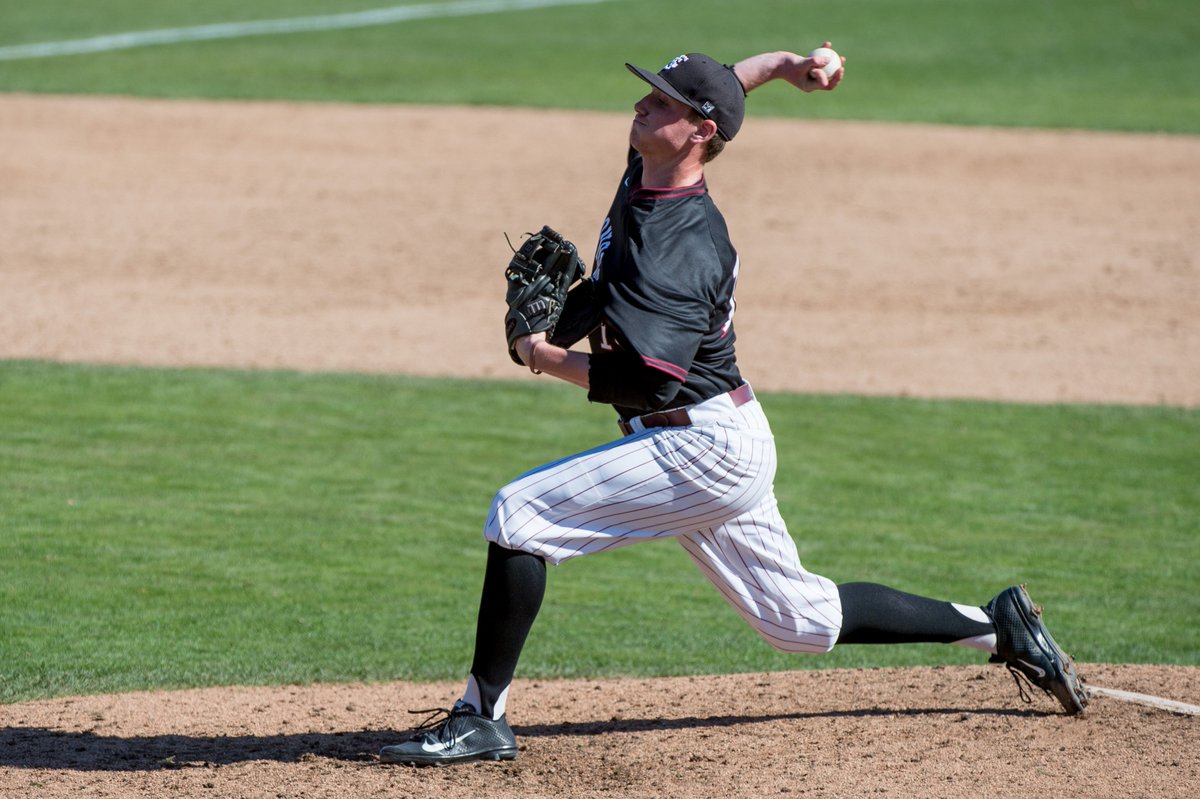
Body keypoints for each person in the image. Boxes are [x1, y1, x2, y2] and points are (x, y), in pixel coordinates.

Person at [379, 45, 1088, 767]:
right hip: (717, 434)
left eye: (660, 102)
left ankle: (481, 715)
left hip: (700, 446)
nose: (640, 106)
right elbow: (722, 90)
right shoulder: (650, 170)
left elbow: (648, 380)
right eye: (648, 94)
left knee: (520, 515)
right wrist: (780, 65)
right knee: (798, 621)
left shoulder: (678, 247)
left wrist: (538, 352)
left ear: (698, 133)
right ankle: (998, 626)